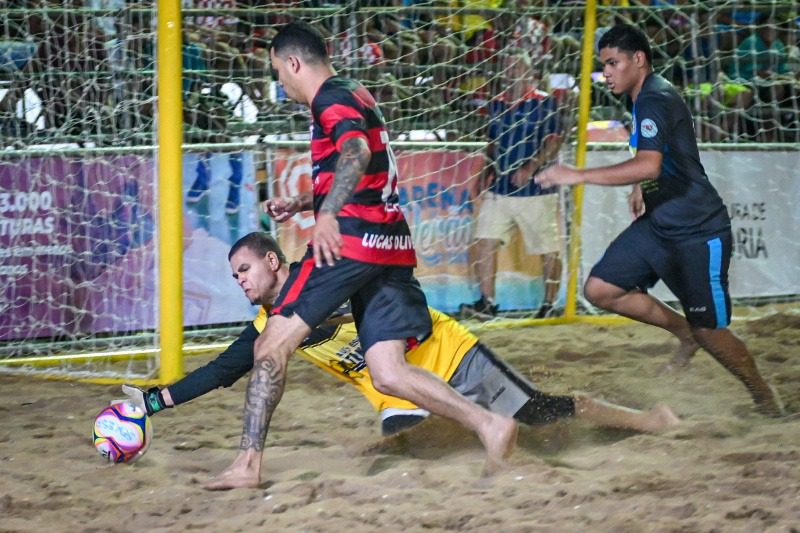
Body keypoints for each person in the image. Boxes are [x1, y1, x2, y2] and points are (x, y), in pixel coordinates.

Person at [205, 21, 517, 489]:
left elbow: (355, 151)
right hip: (390, 245)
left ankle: (247, 467)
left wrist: (327, 215)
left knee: (270, 344)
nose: (280, 82)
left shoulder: (330, 99)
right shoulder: (356, 93)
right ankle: (491, 425)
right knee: (388, 372)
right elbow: (362, 165)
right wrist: (304, 203)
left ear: (293, 62)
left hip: (351, 244)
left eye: (278, 71)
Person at [122, 232, 680, 444]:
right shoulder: (270, 328)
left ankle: (649, 420)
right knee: (403, 448)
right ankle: (502, 448)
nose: (239, 283)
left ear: (272, 261)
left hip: (449, 354)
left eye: (243, 271)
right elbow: (222, 372)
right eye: (233, 278)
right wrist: (150, 402)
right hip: (403, 395)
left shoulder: (323, 279)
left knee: (542, 410)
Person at [535, 24, 783, 416]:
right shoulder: (639, 97)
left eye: (613, 63)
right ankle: (682, 330)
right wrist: (639, 190)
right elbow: (655, 157)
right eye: (604, 66)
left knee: (712, 332)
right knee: (601, 289)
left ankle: (767, 399)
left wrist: (578, 174)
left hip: (700, 231)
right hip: (659, 224)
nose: (607, 73)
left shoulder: (655, 98)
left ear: (639, 60)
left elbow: (649, 165)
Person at [459, 48, 564, 320]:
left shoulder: (545, 103)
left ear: (529, 73)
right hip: (501, 188)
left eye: (516, 68)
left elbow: (554, 140)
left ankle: (549, 304)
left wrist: (531, 167)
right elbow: (492, 144)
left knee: (547, 248)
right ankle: (487, 302)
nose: (510, 73)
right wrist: (484, 174)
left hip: (536, 190)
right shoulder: (496, 104)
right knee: (483, 242)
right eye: (507, 68)